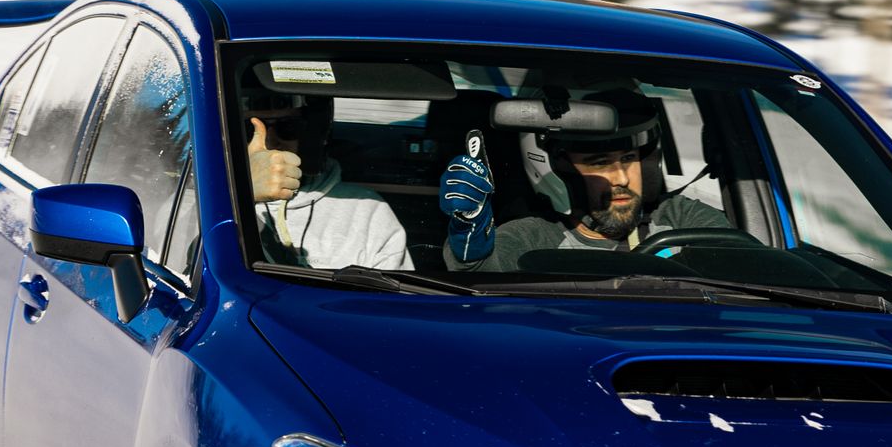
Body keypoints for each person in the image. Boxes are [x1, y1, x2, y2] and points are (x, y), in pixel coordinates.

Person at [437, 89, 728, 271]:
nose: (622, 178)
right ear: (558, 173)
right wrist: (469, 233)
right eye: (599, 163)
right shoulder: (533, 238)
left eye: (628, 158)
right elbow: (480, 275)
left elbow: (745, 263)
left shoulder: (681, 218)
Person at [245, 89, 411, 271]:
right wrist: (242, 192)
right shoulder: (211, 203)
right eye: (249, 130)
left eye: (288, 128)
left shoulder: (365, 208)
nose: (269, 141)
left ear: (311, 134)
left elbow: (398, 294)